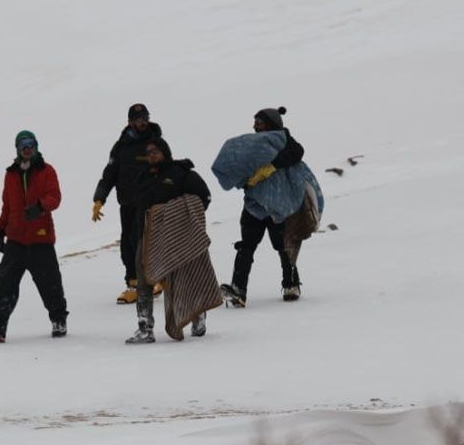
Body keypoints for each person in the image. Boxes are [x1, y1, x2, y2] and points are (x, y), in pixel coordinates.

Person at [0, 130, 68, 343]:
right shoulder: (11, 174)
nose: (27, 149)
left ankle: (59, 319)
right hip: (16, 240)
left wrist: (40, 207)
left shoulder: (46, 171)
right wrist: (0, 230)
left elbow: (55, 196)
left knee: (49, 283)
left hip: (40, 239)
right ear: (18, 149)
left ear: (36, 146)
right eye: (23, 145)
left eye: (31, 144)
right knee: (5, 282)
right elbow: (7, 207)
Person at [126, 137, 219, 344]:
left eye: (155, 151)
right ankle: (145, 327)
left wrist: (175, 215)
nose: (151, 155)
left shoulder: (182, 174)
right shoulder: (142, 177)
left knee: (188, 278)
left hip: (180, 239)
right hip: (148, 237)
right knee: (144, 281)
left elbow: (203, 198)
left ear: (165, 153)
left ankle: (197, 315)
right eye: (148, 152)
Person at [219, 106, 308, 307]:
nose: (255, 127)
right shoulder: (255, 145)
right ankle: (238, 289)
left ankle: (291, 284)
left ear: (271, 124)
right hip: (254, 203)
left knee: (283, 245)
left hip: (278, 204)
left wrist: (273, 165)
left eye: (259, 123)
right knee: (246, 246)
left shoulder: (285, 140)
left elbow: (297, 152)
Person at [92, 103, 166, 304]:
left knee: (150, 241)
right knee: (129, 243)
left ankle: (158, 278)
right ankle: (133, 283)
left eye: (145, 118)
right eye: (139, 119)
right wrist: (99, 198)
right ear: (130, 122)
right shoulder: (121, 146)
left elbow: (168, 169)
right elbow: (110, 173)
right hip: (127, 203)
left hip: (152, 203)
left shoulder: (156, 142)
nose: (143, 123)